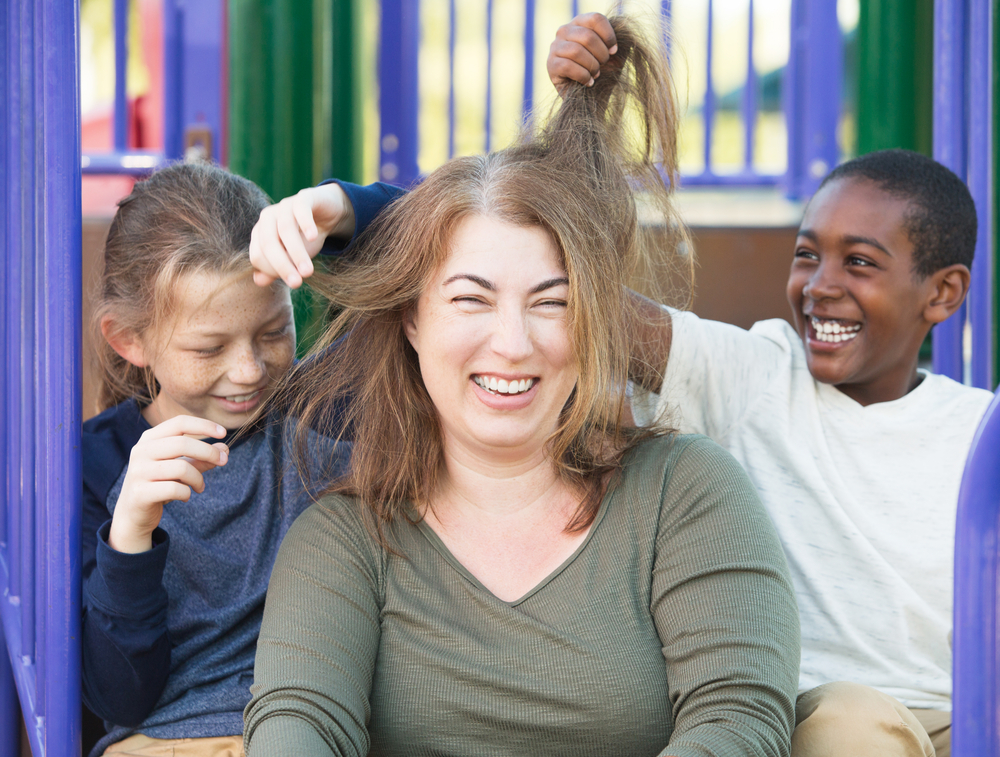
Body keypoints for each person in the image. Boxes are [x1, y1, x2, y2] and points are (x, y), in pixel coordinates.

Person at [244, 16, 799, 757]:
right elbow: (297, 725)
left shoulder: (685, 492)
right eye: (472, 299)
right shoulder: (346, 538)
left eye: (552, 302)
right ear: (413, 320)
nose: (514, 341)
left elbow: (738, 720)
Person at [549, 14, 995, 757]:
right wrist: (581, 121)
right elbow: (582, 299)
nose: (819, 287)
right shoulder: (757, 375)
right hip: (814, 722)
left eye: (859, 263)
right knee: (852, 727)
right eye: (807, 255)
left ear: (943, 294)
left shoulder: (981, 432)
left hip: (964, 723)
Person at [81, 162, 394, 757]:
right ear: (130, 340)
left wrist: (343, 210)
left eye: (274, 332)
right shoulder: (90, 467)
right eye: (209, 348)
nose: (249, 371)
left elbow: (453, 246)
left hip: (316, 730)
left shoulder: (323, 407)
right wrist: (129, 537)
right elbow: (116, 698)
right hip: (163, 742)